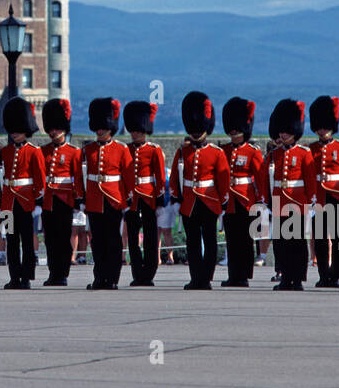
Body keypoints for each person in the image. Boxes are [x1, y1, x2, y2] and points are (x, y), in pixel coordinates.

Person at [170, 91, 231, 290]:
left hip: (209, 201)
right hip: (189, 202)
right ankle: (196, 277)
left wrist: (223, 201)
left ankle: (206, 277)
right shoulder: (182, 152)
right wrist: (175, 198)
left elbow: (223, 179)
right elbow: (174, 178)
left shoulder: (216, 153)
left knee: (210, 242)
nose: (195, 132)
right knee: (193, 242)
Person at [260, 99, 316, 291]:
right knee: (281, 243)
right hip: (278, 202)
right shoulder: (274, 155)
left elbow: (309, 181)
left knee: (297, 243)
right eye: (281, 131)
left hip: (298, 203)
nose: (283, 134)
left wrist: (311, 204)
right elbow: (266, 180)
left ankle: (297, 278)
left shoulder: (304, 154)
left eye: (286, 131)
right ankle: (285, 277)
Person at [80, 98, 133, 291]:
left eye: (103, 127)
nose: (100, 131)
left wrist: (127, 201)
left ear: (110, 127)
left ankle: (112, 278)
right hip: (94, 201)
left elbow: (128, 177)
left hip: (114, 200)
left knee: (113, 241)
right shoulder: (88, 150)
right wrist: (82, 199)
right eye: (98, 127)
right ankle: (99, 277)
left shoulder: (121, 149)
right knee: (97, 242)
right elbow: (81, 177)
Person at [308, 96, 339, 289]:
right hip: (318, 196)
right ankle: (323, 275)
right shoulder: (310, 149)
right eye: (319, 127)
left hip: (336, 195)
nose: (322, 130)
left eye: (325, 126)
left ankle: (335, 275)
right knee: (319, 238)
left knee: (337, 239)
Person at [0, 97, 44, 289]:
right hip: (9, 202)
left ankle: (26, 277)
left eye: (18, 130)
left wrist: (38, 203)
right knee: (11, 240)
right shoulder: (6, 151)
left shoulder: (34, 151)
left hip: (26, 202)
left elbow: (40, 180)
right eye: (13, 130)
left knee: (26, 241)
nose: (15, 133)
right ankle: (14, 276)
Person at [38, 99, 83, 287]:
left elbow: (78, 177)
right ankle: (53, 272)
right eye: (51, 128)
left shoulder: (74, 152)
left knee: (64, 238)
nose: (53, 132)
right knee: (50, 239)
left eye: (56, 128)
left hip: (65, 199)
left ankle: (62, 273)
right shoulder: (43, 151)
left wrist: (78, 199)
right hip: (48, 199)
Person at [220, 97, 263, 287]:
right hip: (229, 200)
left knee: (246, 240)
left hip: (246, 199)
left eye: (236, 126)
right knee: (232, 239)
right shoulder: (224, 150)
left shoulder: (252, 151)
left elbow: (260, 178)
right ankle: (233, 274)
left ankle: (244, 275)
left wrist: (261, 201)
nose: (233, 130)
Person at [122, 100, 164, 287]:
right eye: (133, 130)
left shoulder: (153, 150)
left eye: (138, 129)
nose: (135, 133)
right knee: (132, 238)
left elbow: (160, 177)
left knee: (150, 237)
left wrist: (160, 199)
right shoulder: (125, 150)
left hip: (148, 197)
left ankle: (149, 272)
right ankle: (137, 271)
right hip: (131, 198)